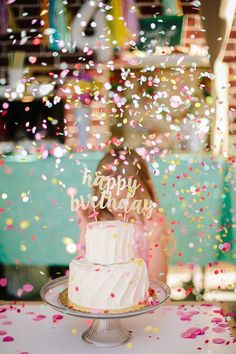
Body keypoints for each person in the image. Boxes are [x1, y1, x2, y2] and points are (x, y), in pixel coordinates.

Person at [77, 148, 170, 282]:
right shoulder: (100, 224)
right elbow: (84, 267)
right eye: (109, 199)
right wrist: (85, 226)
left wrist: (154, 240)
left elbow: (159, 281)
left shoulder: (148, 229)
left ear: (143, 191)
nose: (115, 206)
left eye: (123, 199)